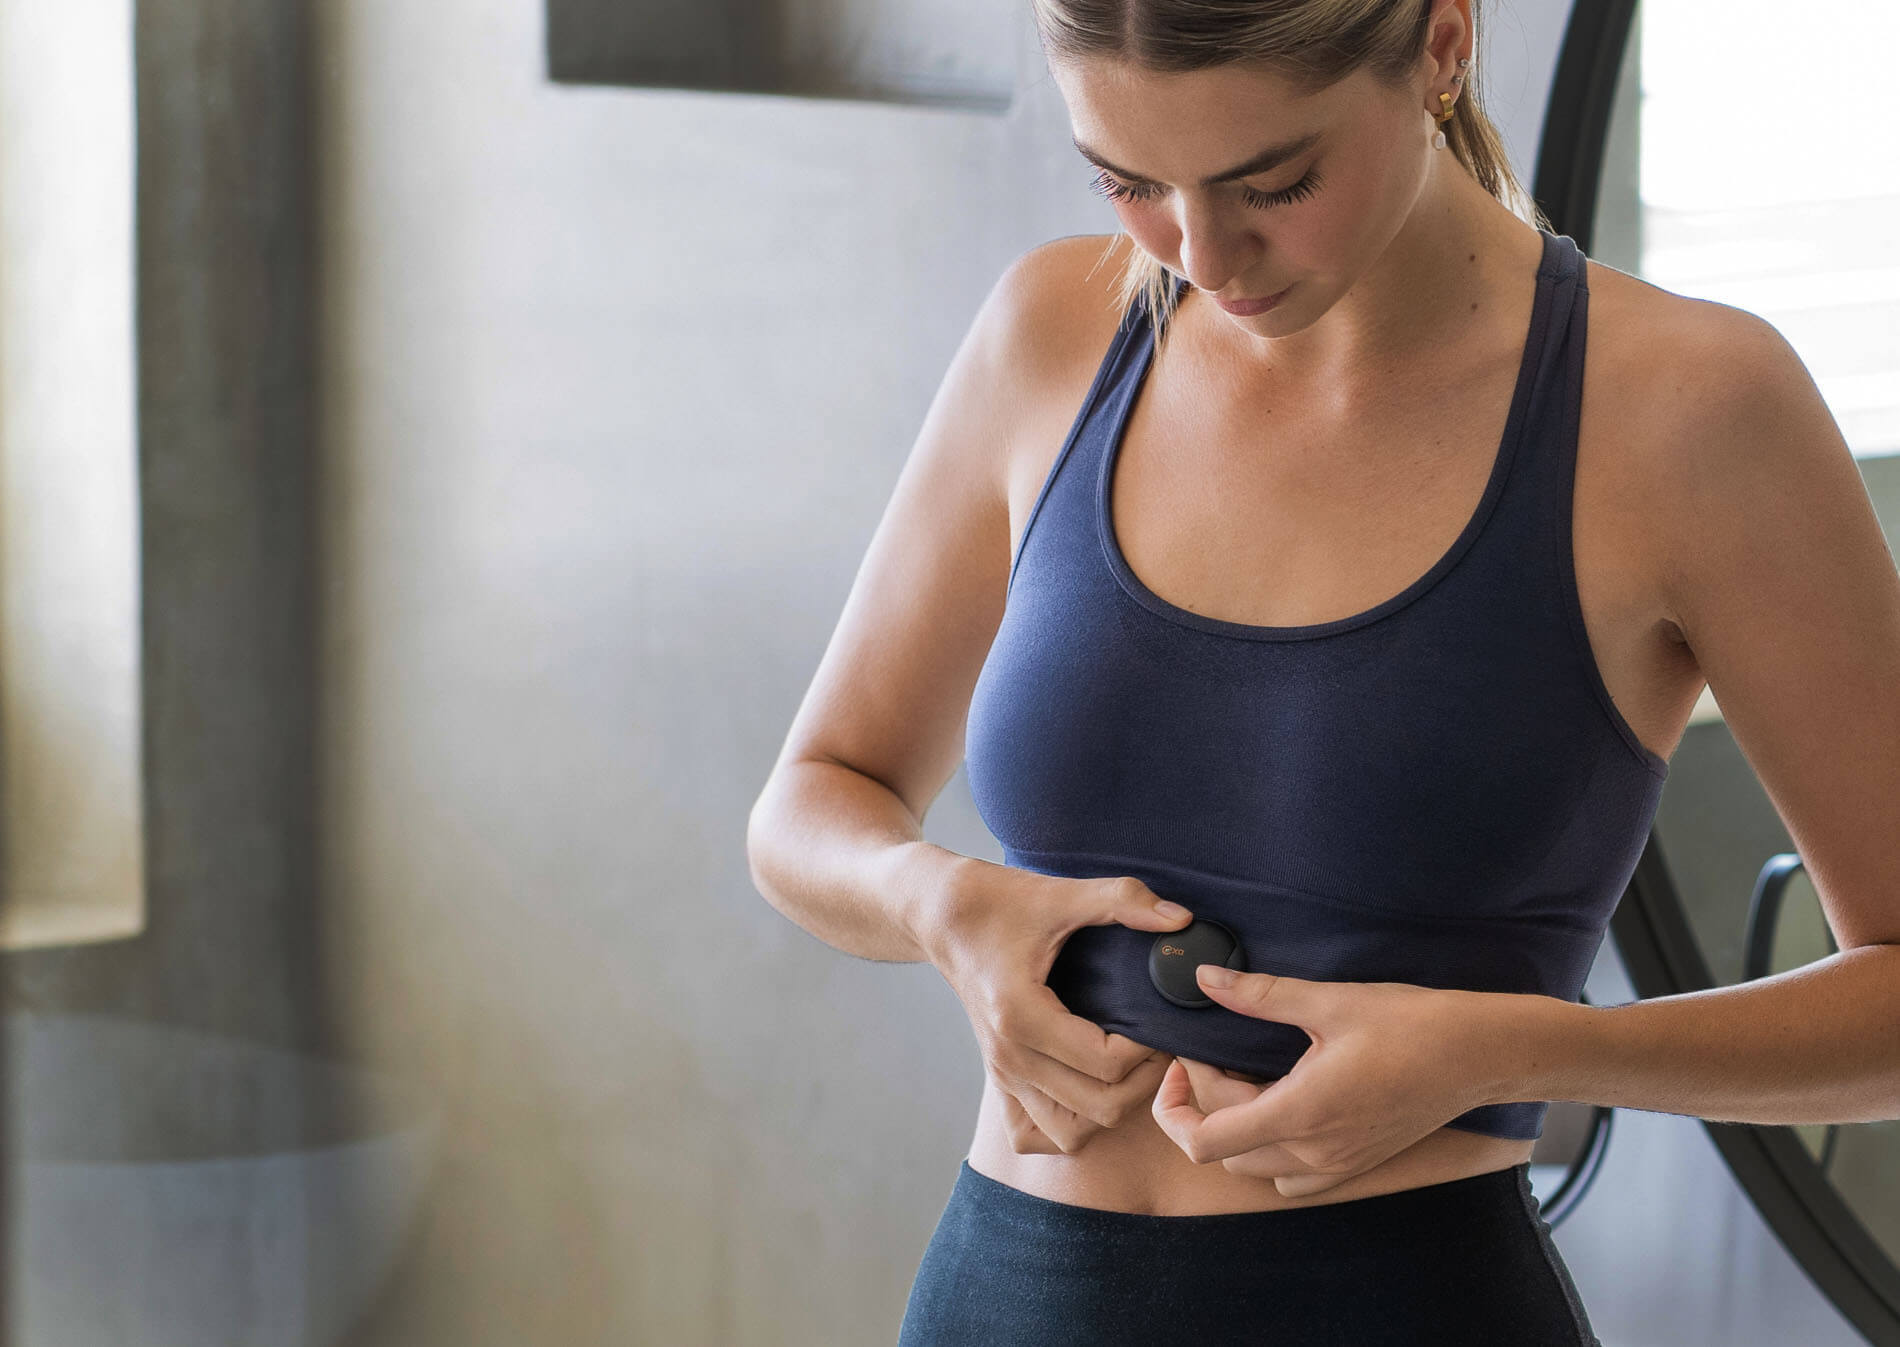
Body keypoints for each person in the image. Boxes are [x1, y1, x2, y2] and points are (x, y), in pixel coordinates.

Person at [746, 0, 1900, 1342]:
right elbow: (812, 801)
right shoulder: (1051, 335)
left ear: (1443, 44)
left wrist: (1516, 1047)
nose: (1198, 251)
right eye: (1127, 182)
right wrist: (936, 903)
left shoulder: (1693, 410)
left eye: (1273, 181)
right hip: (1005, 1297)